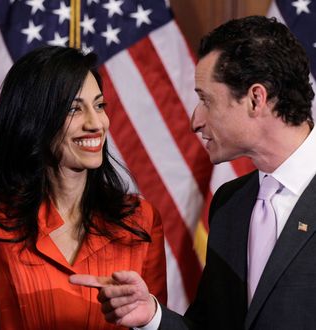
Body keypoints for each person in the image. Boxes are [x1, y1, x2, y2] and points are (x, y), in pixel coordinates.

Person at [69, 15, 316, 330]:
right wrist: (152, 316)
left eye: (205, 100)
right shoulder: (230, 203)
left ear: (256, 99)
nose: (195, 121)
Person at [0, 45, 167, 329]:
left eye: (99, 105)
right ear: (33, 119)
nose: (96, 123)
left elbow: (155, 325)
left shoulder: (140, 219)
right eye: (74, 109)